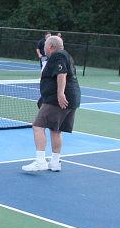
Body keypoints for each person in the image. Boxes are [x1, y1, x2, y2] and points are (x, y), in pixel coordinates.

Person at [22, 36, 80, 173]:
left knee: (38, 126)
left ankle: (40, 161)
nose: (44, 50)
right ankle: (55, 163)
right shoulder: (67, 56)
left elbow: (61, 74)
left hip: (58, 100)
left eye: (45, 47)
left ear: (51, 47)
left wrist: (60, 94)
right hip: (72, 98)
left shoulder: (57, 56)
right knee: (56, 129)